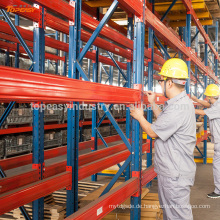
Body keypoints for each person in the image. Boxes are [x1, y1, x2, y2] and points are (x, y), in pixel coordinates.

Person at [130, 58, 196, 220]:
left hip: (175, 173)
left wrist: (140, 117)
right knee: (172, 214)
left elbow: (153, 132)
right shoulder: (178, 104)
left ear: (169, 83)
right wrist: (152, 104)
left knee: (178, 216)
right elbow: (165, 123)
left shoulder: (178, 108)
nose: (160, 85)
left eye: (161, 81)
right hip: (175, 170)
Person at [192, 84, 220, 198]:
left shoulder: (217, 107)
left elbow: (203, 112)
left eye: (207, 96)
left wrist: (186, 107)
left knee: (217, 166)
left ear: (210, 96)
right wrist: (196, 100)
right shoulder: (216, 102)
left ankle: (218, 191)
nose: (207, 99)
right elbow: (208, 105)